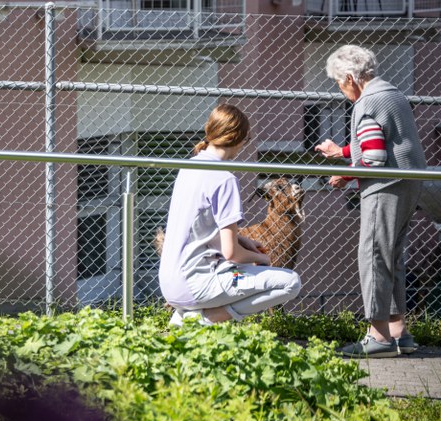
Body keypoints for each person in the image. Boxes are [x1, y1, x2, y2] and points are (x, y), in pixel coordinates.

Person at [314, 45, 425, 358]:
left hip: (385, 186)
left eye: (339, 82)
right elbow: (384, 140)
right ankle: (399, 331)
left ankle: (378, 336)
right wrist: (344, 152)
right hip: (409, 182)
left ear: (351, 78)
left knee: (374, 256)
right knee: (392, 257)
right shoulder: (393, 94)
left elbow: (375, 158)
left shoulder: (367, 102)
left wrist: (344, 176)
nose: (340, 88)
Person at [159, 104, 302, 326]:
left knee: (240, 272)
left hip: (169, 283)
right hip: (195, 284)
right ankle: (203, 318)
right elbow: (232, 254)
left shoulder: (189, 166)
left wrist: (244, 240)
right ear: (239, 138)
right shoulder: (224, 179)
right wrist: (262, 258)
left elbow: (201, 227)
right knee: (290, 282)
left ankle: (182, 315)